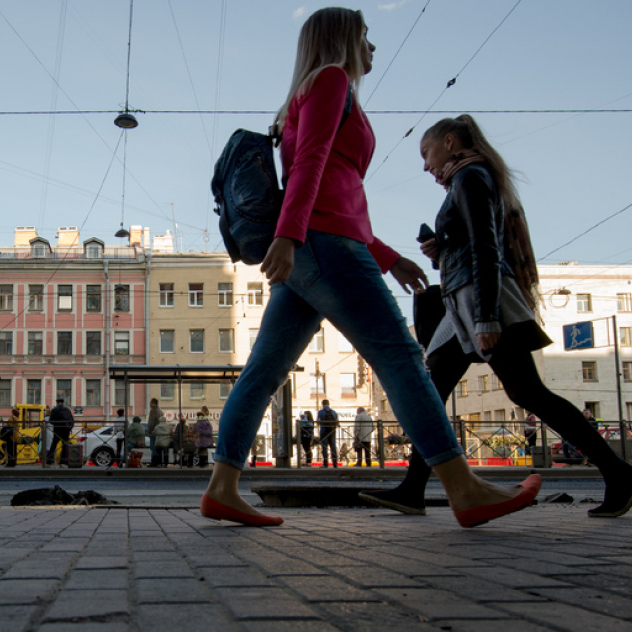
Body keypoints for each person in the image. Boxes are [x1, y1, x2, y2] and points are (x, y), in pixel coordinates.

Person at [202, 8, 540, 528]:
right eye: (365, 36)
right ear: (342, 39)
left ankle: (222, 487)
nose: (373, 47)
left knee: (264, 371)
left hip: (319, 243)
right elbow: (311, 164)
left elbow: (330, 184)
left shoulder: (311, 91)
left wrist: (388, 256)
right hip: (325, 243)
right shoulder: (332, 80)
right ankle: (462, 488)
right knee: (401, 356)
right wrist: (290, 236)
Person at [359, 114, 632, 519]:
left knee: (527, 393)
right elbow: (469, 250)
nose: (424, 165)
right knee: (434, 388)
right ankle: (413, 487)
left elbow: (486, 248)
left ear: (448, 141)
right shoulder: (467, 179)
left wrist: (488, 319)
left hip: (480, 302)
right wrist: (440, 252)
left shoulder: (470, 177)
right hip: (463, 303)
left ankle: (620, 474)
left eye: (425, 153)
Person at [47, 398, 75, 467]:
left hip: (57, 430)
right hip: (66, 430)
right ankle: (63, 462)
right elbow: (72, 420)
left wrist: (57, 424)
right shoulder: (67, 410)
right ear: (63, 402)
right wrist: (69, 428)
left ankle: (49, 461)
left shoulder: (54, 410)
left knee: (53, 445)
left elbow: (51, 421)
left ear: (57, 403)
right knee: (65, 446)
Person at [317, 400, 339, 468]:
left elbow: (318, 422)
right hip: (332, 431)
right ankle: (335, 463)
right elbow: (337, 422)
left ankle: (325, 463)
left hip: (324, 431)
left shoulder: (320, 412)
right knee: (333, 447)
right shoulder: (334, 412)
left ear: (322, 404)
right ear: (329, 404)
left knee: (324, 447)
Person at [147, 398, 164, 467]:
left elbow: (151, 422)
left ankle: (154, 462)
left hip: (154, 432)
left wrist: (150, 431)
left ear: (154, 404)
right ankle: (159, 462)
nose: (150, 404)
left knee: (153, 447)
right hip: (159, 432)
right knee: (158, 447)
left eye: (151, 403)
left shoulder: (153, 411)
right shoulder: (159, 411)